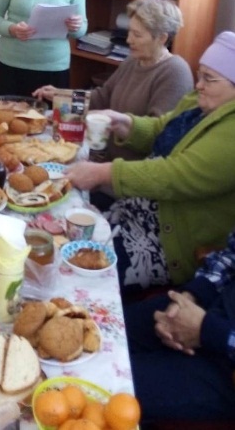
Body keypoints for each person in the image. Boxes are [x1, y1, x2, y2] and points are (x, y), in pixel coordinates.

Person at [64, 31, 235, 294]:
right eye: (200, 75)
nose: (199, 84)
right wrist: (124, 123)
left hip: (160, 242)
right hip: (129, 212)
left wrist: (104, 173)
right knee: (64, 240)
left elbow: (174, 176)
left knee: (78, 278)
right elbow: (160, 128)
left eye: (209, 79)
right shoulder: (199, 103)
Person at [33, 0, 194, 161]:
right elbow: (102, 97)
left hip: (135, 168)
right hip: (107, 158)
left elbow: (159, 137)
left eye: (137, 35)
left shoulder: (175, 72)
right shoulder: (132, 61)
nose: (128, 40)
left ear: (162, 38)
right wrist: (62, 96)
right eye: (129, 32)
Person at [124, 230, 235, 422]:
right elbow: (231, 257)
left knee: (107, 387)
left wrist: (207, 331)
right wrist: (191, 296)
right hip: (210, 308)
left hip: (226, 367)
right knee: (100, 330)